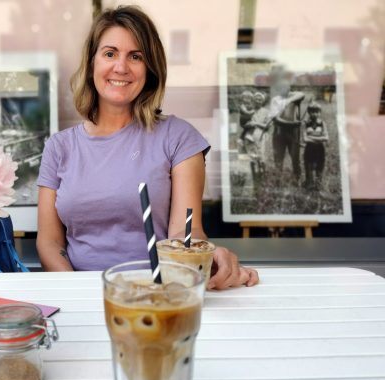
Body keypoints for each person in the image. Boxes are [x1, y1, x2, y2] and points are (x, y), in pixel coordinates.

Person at [36, 6, 258, 289]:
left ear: (150, 69)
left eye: (136, 56)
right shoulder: (59, 147)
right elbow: (49, 241)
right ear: (92, 63)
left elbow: (185, 231)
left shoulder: (177, 137)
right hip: (79, 292)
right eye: (110, 53)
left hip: (158, 291)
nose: (121, 67)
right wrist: (79, 292)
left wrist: (207, 254)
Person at [269, 65, 305, 185]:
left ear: (290, 87)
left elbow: (301, 94)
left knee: (295, 158)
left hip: (293, 133)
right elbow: (276, 119)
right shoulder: (275, 100)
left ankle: (297, 180)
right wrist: (293, 123)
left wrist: (287, 101)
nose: (286, 88)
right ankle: (278, 181)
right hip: (280, 132)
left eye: (288, 86)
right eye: (283, 87)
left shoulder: (294, 97)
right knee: (278, 158)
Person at [302, 101, 328, 191]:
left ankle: (318, 186)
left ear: (320, 112)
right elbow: (304, 139)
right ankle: (309, 186)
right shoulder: (305, 124)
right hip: (309, 149)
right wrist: (319, 138)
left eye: (317, 112)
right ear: (309, 113)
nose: (315, 114)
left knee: (319, 168)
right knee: (308, 168)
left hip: (320, 149)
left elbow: (326, 137)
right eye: (312, 111)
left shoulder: (322, 123)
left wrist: (311, 137)